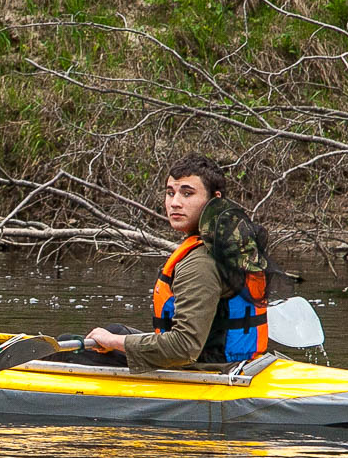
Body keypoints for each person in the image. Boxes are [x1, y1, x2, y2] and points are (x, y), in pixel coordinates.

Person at [69, 155, 269, 371]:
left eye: (187, 193)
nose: (175, 203)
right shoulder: (229, 244)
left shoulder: (201, 262)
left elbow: (183, 348)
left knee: (72, 353)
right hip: (237, 362)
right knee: (114, 331)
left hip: (210, 371)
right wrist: (116, 339)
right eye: (170, 193)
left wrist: (114, 342)